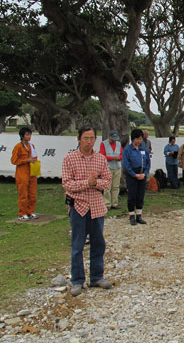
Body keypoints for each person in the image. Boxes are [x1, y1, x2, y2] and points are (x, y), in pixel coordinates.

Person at [62, 126, 113, 297]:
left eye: (92, 138)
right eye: (85, 138)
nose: (89, 141)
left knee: (98, 243)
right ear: (78, 139)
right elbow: (67, 184)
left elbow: (107, 180)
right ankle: (77, 280)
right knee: (77, 245)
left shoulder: (100, 159)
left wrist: (95, 183)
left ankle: (97, 277)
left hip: (97, 206)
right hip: (78, 206)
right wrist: (87, 183)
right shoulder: (70, 159)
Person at [123, 129, 151, 225]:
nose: (139, 141)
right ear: (133, 139)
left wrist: (145, 173)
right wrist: (134, 174)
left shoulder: (144, 149)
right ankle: (131, 215)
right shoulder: (127, 150)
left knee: (140, 195)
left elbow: (148, 162)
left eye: (141, 139)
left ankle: (139, 215)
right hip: (132, 175)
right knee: (132, 195)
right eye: (138, 139)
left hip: (142, 173)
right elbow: (126, 164)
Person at [10, 127, 38, 221]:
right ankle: (22, 213)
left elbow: (34, 157)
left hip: (32, 172)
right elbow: (14, 160)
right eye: (27, 135)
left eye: (30, 134)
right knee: (23, 194)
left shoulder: (31, 146)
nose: (29, 137)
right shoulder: (18, 147)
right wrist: (25, 160)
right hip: (22, 172)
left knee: (32, 193)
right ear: (22, 136)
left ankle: (30, 211)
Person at [100, 130, 123, 210]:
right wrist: (112, 158)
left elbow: (121, 155)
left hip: (117, 167)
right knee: (107, 187)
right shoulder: (103, 143)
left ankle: (114, 203)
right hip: (107, 167)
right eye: (112, 138)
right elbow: (102, 156)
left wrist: (119, 158)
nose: (114, 140)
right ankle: (107, 204)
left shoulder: (119, 144)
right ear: (109, 137)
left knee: (116, 186)